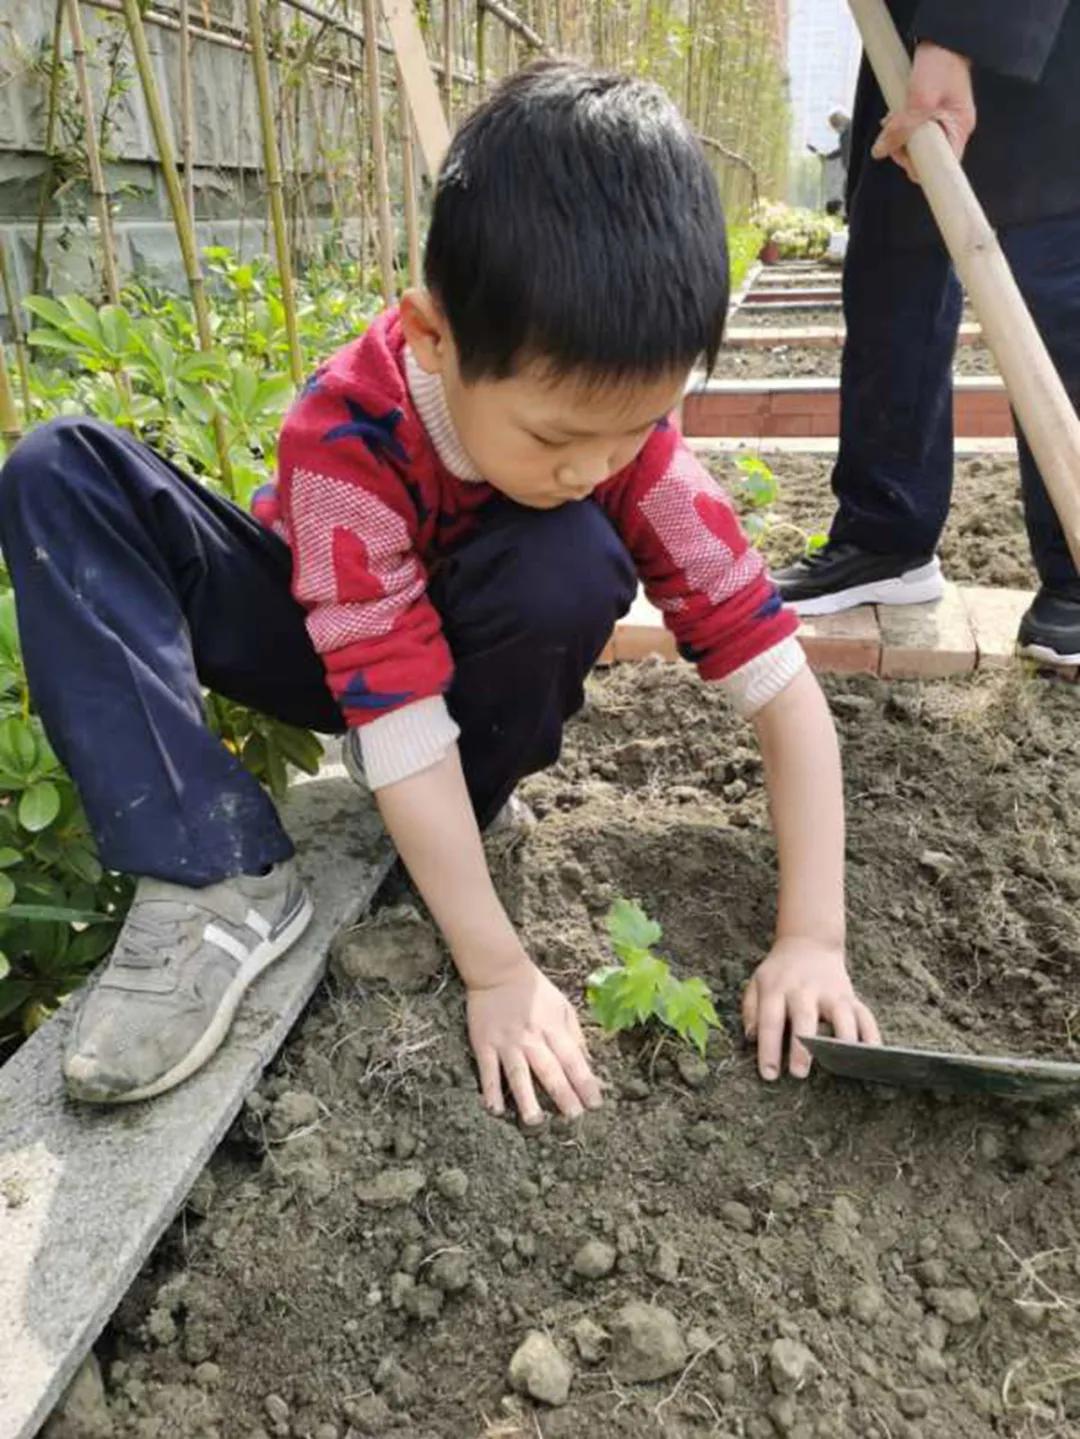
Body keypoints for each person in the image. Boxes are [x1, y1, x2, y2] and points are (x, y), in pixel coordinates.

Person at [0, 62, 879, 1117]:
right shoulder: (346, 432)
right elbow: (389, 707)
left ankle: (468, 810)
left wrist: (811, 937)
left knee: (570, 557)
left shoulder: (627, 451)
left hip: (470, 676)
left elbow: (786, 693)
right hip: (326, 639)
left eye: (637, 428)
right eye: (558, 435)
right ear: (431, 336)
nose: (594, 465)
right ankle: (214, 870)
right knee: (61, 469)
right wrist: (497, 971)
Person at [773, 2, 1080, 666]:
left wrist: (958, 37)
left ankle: (1075, 568)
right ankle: (886, 530)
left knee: (1057, 271)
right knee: (894, 270)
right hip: (907, 33)